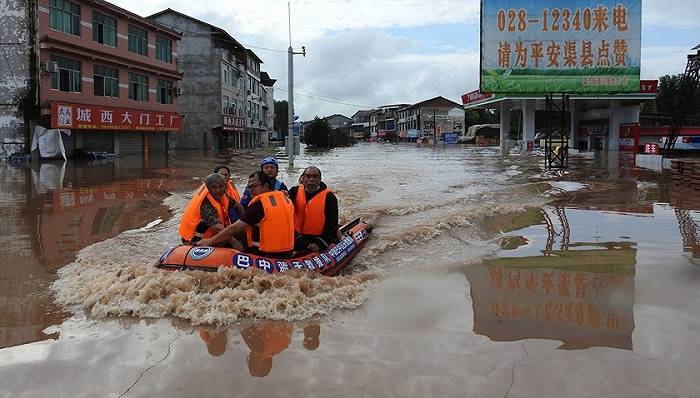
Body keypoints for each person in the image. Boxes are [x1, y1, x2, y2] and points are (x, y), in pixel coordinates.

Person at [197, 171, 295, 256]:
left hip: (265, 253)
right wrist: (245, 218)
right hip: (287, 251)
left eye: (254, 186)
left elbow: (232, 229)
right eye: (249, 187)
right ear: (208, 189)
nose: (250, 190)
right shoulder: (285, 198)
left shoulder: (259, 205)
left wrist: (209, 241)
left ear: (265, 186)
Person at [179, 173, 239, 247]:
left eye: (221, 187)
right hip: (195, 242)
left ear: (225, 187)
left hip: (211, 238)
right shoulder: (205, 204)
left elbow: (238, 205)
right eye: (214, 187)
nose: (218, 190)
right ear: (208, 189)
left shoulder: (225, 195)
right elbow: (218, 228)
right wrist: (234, 242)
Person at [288, 166, 339, 252]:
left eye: (315, 177)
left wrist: (320, 243)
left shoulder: (329, 198)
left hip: (318, 238)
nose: (311, 179)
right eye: (308, 176)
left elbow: (332, 225)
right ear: (303, 179)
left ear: (320, 179)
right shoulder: (294, 192)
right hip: (297, 237)